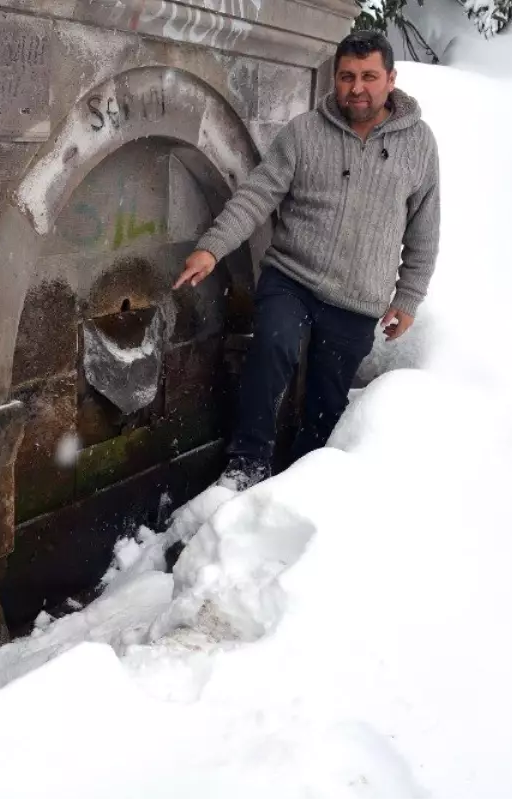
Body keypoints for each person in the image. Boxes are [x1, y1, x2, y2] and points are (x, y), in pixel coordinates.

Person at [174, 30, 441, 490]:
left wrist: (409, 297)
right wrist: (212, 247)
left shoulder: (419, 145)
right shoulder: (304, 133)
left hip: (358, 298)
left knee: (326, 400)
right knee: (272, 347)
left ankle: (299, 487)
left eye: (369, 76)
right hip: (292, 277)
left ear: (391, 79)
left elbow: (424, 228)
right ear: (334, 80)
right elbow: (258, 194)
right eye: (346, 77)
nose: (357, 87)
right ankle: (247, 464)